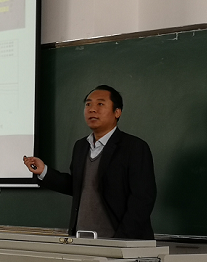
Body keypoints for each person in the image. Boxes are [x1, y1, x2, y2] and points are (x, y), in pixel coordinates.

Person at [23, 85, 156, 239]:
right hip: (83, 239)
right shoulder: (81, 146)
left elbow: (142, 198)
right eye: (88, 104)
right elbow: (79, 186)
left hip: (120, 241)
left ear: (117, 112)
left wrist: (122, 240)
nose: (92, 109)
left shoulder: (134, 147)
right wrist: (44, 171)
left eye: (100, 104)